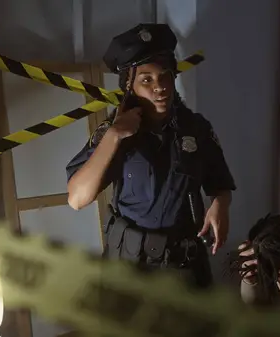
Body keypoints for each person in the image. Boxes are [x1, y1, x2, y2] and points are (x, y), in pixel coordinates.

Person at [65, 23, 235, 289]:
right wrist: (114, 136)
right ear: (129, 85)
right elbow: (77, 198)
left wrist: (220, 205)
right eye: (147, 80)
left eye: (165, 76)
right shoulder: (114, 134)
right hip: (129, 266)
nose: (160, 87)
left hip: (183, 268)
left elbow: (220, 183)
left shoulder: (197, 129)